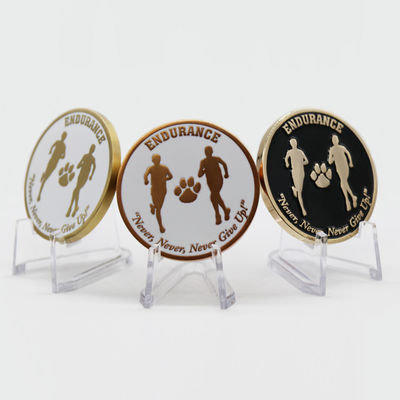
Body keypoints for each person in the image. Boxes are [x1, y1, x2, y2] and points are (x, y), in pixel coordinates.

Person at [198, 146, 230, 225]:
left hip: (218, 180)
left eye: (209, 151)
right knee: (216, 196)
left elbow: (224, 164)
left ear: (212, 152)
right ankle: (225, 210)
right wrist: (204, 170)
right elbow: (199, 175)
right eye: (206, 152)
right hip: (210, 183)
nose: (208, 153)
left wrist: (226, 173)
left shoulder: (216, 159)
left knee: (213, 196)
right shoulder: (203, 162)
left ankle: (217, 215)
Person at [144, 154, 173, 233]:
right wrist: (146, 180)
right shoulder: (151, 168)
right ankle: (160, 226)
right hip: (155, 189)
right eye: (155, 159)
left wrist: (164, 179)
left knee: (158, 207)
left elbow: (171, 176)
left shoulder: (164, 168)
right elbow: (146, 174)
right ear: (153, 161)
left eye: (157, 159)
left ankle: (153, 207)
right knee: (159, 209)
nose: (156, 161)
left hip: (162, 190)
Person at [328, 134, 357, 211]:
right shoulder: (332, 150)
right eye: (333, 140)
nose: (335, 141)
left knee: (343, 182)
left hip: (345, 167)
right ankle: (352, 197)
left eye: (336, 139)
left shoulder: (342, 147)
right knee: (343, 182)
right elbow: (330, 162)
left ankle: (348, 201)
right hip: (339, 168)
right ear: (332, 141)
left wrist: (350, 162)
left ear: (338, 140)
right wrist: (332, 155)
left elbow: (348, 154)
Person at [66, 144, 96, 218]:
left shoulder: (92, 158)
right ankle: (75, 206)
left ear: (93, 150)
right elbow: (78, 165)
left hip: (85, 175)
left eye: (92, 149)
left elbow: (94, 167)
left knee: (76, 189)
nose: (91, 149)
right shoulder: (85, 156)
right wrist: (81, 165)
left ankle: (71, 207)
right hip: (81, 174)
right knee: (77, 189)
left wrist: (91, 175)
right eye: (91, 148)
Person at [37, 131, 67, 201]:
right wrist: (58, 156)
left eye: (64, 136)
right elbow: (63, 156)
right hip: (53, 162)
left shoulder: (61, 144)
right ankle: (39, 195)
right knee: (45, 179)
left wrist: (53, 152)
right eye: (63, 136)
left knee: (46, 177)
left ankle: (44, 175)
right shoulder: (61, 145)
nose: (63, 137)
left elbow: (62, 155)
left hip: (53, 163)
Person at [284, 138, 308, 216]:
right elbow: (286, 159)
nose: (294, 144)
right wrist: (287, 163)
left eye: (295, 142)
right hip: (295, 171)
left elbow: (306, 161)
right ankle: (303, 209)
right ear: (291, 144)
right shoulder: (290, 152)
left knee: (300, 189)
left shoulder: (300, 152)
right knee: (300, 192)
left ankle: (295, 189)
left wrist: (300, 163)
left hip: (301, 172)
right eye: (293, 143)